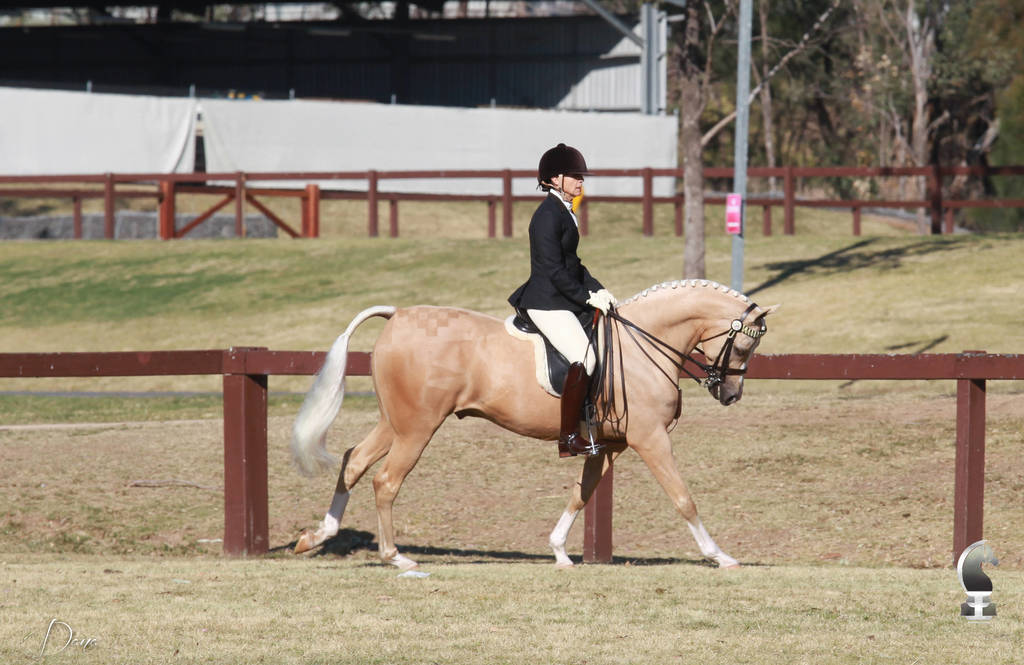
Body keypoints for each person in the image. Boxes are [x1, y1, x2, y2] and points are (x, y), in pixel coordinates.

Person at [508, 143, 616, 458]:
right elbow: (555, 271)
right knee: (585, 357)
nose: (581, 181)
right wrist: (586, 297)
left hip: (561, 296)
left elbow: (573, 263)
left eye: (581, 175)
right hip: (546, 301)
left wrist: (598, 289)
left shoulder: (563, 212)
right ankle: (569, 437)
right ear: (555, 179)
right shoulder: (546, 216)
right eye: (574, 176)